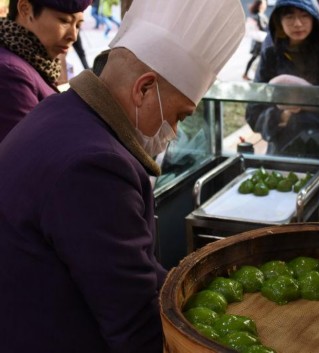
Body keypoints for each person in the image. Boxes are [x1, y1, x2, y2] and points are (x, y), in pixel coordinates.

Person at [0, 0, 245, 352]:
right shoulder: (95, 166)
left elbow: (126, 271)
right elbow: (135, 326)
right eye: (179, 116)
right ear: (144, 89)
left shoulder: (62, 111)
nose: (172, 131)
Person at [245, 0, 319, 159]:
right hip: (284, 154)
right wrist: (281, 115)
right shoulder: (271, 56)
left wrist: (301, 116)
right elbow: (253, 113)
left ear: (315, 17)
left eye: (304, 16)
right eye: (289, 17)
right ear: (278, 20)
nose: (297, 23)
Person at [0, 0, 89, 142]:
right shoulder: (11, 73)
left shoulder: (34, 61)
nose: (73, 36)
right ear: (25, 10)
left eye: (78, 25)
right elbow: (31, 150)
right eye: (64, 21)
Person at [243, 0, 269, 81]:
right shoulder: (259, 16)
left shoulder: (260, 15)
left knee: (255, 58)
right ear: (260, 5)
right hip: (260, 41)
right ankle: (248, 74)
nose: (266, 5)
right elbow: (262, 27)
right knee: (257, 58)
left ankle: (246, 74)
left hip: (260, 40)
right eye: (264, 3)